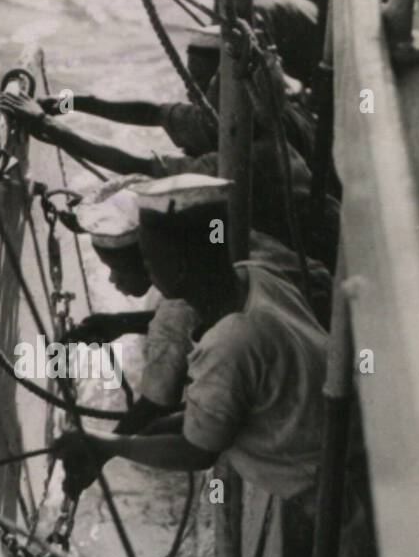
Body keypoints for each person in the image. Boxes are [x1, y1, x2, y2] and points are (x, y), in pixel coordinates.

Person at [53, 175, 329, 503]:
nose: (146, 268)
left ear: (179, 267)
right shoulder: (256, 275)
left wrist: (108, 445)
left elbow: (198, 453)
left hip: (327, 486)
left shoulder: (226, 347)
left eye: (149, 260)